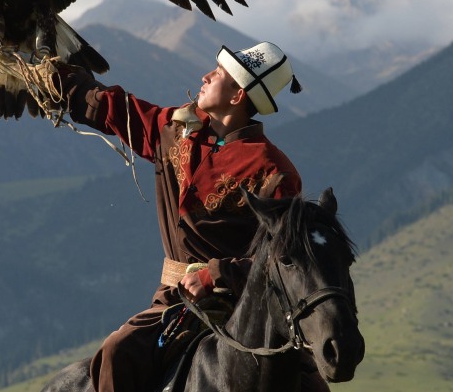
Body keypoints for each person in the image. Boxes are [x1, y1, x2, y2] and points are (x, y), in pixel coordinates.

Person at [61, 41, 325, 392]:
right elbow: (115, 108)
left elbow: (286, 258)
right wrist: (54, 75)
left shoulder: (273, 170)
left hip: (247, 308)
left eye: (218, 73)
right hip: (173, 301)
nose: (205, 76)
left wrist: (216, 274)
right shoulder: (174, 130)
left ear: (237, 96)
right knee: (117, 352)